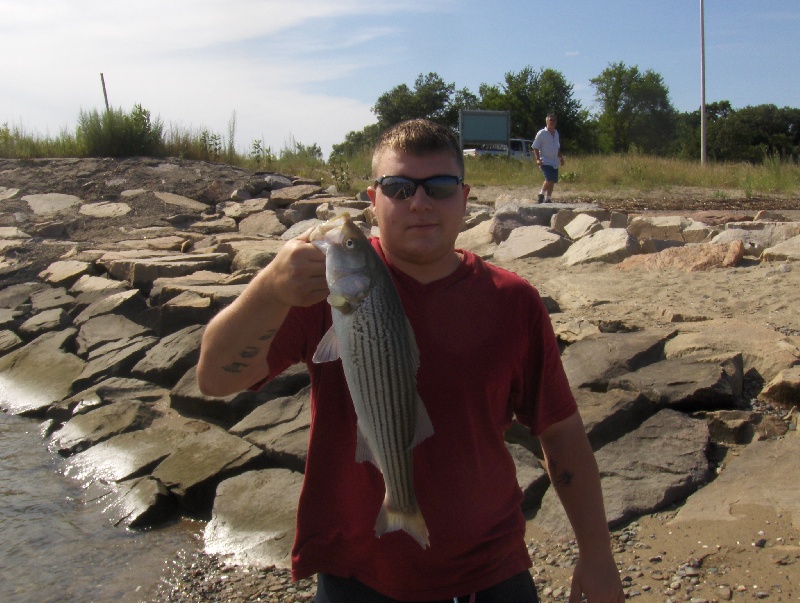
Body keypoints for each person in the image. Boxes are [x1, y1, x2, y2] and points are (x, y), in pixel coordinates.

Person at [196, 119, 623, 603]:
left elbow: (562, 433)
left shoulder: (514, 300)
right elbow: (213, 379)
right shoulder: (318, 294)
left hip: (491, 570)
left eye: (439, 187)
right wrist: (268, 290)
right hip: (356, 571)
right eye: (399, 188)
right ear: (373, 199)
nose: (419, 203)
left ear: (464, 197)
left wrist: (597, 555)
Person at [532, 114, 565, 203]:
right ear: (547, 121)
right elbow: (535, 147)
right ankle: (541, 194)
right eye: (550, 120)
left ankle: (548, 198)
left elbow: (557, 147)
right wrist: (538, 159)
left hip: (554, 161)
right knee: (549, 178)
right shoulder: (542, 133)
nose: (552, 122)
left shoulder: (556, 133)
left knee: (553, 180)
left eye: (554, 120)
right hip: (545, 160)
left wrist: (560, 158)